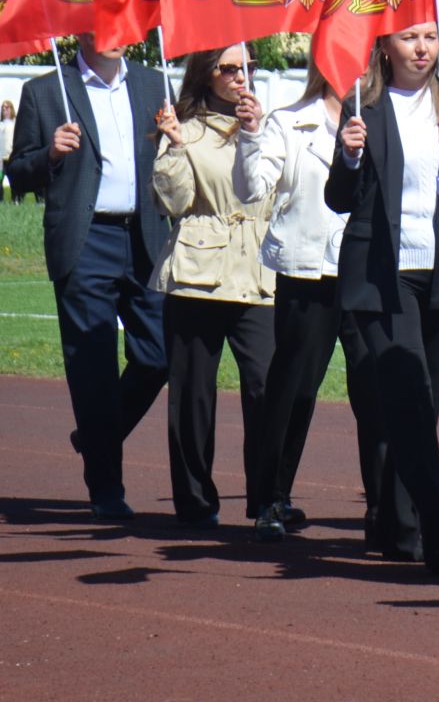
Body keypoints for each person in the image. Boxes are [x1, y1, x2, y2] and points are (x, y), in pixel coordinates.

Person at [325, 22, 439, 573]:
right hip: (382, 275)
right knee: (410, 397)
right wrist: (346, 158)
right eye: (409, 38)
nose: (422, 49)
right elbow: (339, 200)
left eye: (430, 38)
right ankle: (433, 523)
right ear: (384, 47)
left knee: (420, 404)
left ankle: (396, 521)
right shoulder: (361, 104)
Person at [8, 34, 172, 519]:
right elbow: (18, 172)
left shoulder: (153, 83)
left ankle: (96, 435)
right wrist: (50, 154)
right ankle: (107, 491)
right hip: (85, 240)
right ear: (83, 30)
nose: (121, 34)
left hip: (145, 237)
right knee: (93, 371)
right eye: (108, 22)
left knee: (161, 353)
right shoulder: (45, 90)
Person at [238, 63, 382, 544]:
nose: (357, 70)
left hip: (369, 274)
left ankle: (382, 504)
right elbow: (252, 189)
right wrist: (251, 135)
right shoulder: (288, 119)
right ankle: (269, 497)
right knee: (294, 389)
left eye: (367, 59)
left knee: (375, 391)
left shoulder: (387, 119)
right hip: (308, 268)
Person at [151, 45, 276, 528]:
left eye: (248, 67)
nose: (241, 76)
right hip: (198, 274)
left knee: (267, 387)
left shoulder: (267, 125)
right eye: (229, 68)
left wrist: (256, 131)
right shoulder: (185, 127)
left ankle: (267, 498)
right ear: (207, 74)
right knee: (193, 396)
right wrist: (176, 148)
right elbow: (174, 202)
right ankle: (196, 502)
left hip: (260, 272)